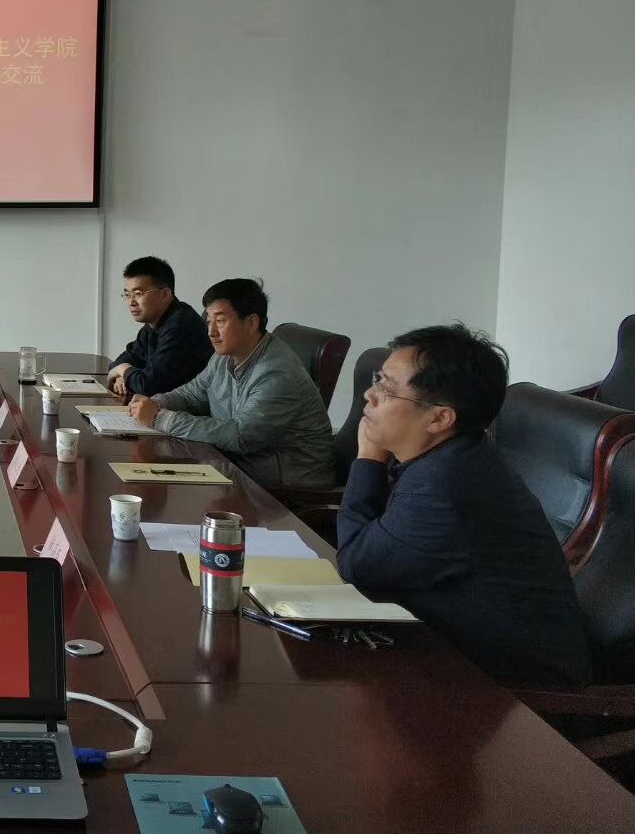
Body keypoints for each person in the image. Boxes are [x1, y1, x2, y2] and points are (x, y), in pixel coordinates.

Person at [336, 324, 591, 686]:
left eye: (386, 390)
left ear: (440, 418)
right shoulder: (454, 458)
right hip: (448, 651)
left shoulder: (443, 485)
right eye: (378, 380)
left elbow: (356, 564)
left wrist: (368, 458)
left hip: (509, 695)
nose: (368, 395)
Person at [129, 278, 334, 491]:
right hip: (243, 464)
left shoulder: (277, 373)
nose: (211, 332)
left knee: (164, 478)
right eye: (209, 321)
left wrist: (159, 418)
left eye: (220, 321)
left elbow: (241, 437)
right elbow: (193, 394)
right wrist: (156, 403)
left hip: (289, 483)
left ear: (251, 322)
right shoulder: (224, 356)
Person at [105, 256, 212, 399]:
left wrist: (123, 370)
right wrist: (121, 376)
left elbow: (149, 386)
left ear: (165, 294)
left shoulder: (180, 325)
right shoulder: (152, 324)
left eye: (138, 294)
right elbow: (123, 360)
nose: (131, 302)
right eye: (127, 294)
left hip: (187, 410)